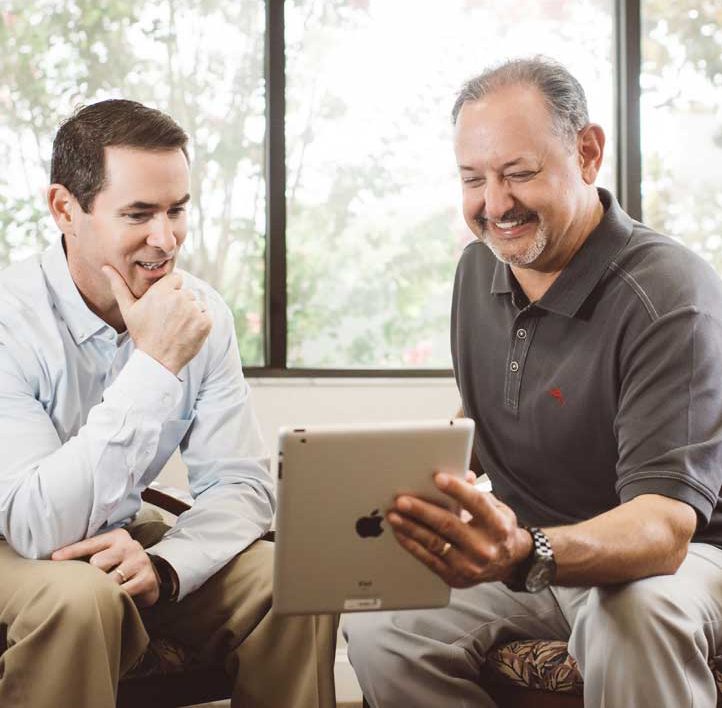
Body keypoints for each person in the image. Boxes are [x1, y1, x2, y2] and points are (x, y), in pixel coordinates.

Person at [345, 57, 722, 708]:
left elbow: (665, 527)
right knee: (384, 626)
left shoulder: (668, 292)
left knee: (630, 616)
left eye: (519, 173)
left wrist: (528, 551)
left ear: (588, 152)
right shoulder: (478, 271)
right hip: (533, 552)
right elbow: (490, 411)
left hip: (680, 559)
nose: (494, 204)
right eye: (473, 179)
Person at [0, 99, 336, 708]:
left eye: (177, 210)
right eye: (138, 214)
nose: (166, 239)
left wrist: (166, 564)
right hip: (12, 543)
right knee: (81, 597)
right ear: (64, 209)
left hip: (122, 537)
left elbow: (241, 485)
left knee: (293, 581)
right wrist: (154, 365)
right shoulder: (8, 320)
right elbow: (34, 525)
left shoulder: (200, 310)